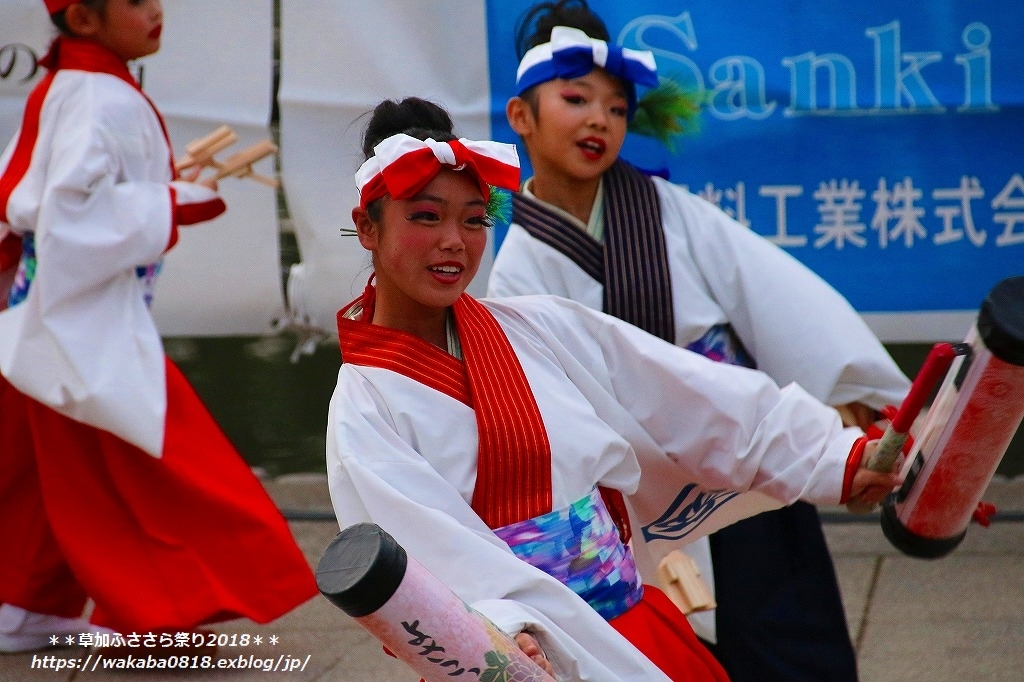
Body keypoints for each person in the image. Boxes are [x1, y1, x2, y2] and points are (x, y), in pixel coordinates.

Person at [325, 96, 901, 681]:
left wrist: (837, 455)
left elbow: (691, 399)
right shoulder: (364, 407)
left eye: (474, 219)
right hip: (517, 658)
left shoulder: (540, 327)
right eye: (426, 217)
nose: (454, 240)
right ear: (368, 226)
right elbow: (431, 552)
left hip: (631, 623)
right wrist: (501, 630)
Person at [485, 2, 913, 679]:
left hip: (742, 461)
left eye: (617, 108)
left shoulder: (669, 211)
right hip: (637, 489)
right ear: (520, 117)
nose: (600, 119)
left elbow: (774, 297)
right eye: (575, 99)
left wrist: (852, 395)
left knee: (794, 646)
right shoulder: (514, 271)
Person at [0, 0, 317, 654]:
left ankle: (24, 603)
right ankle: (158, 604)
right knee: (152, 459)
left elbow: (24, 191)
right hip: (78, 318)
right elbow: (67, 216)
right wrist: (167, 202)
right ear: (84, 19)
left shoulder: (75, 84)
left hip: (49, 309)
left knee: (45, 469)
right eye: (136, 1)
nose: (156, 11)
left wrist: (157, 195)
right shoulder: (98, 96)